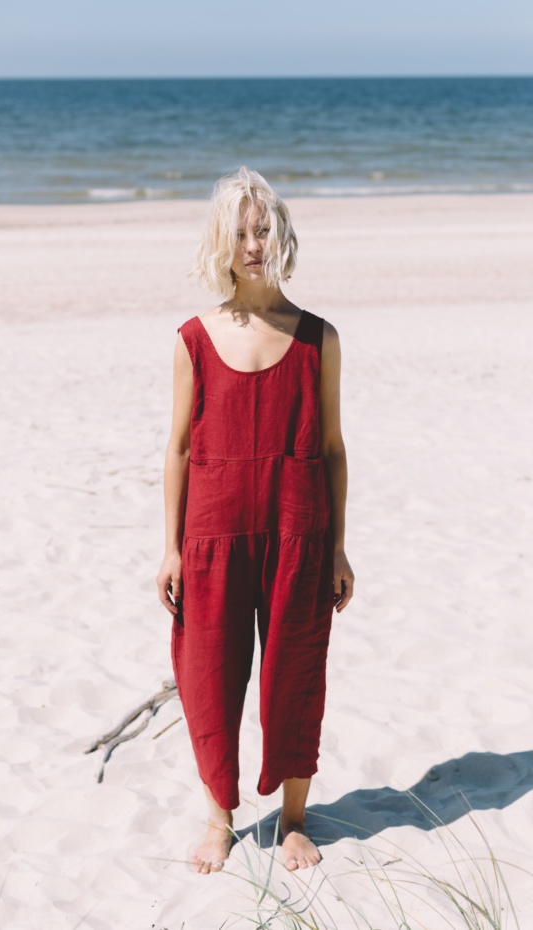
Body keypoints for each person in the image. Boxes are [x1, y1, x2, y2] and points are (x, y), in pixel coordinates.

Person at [157, 166, 354, 875]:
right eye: (240, 230)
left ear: (282, 233)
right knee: (209, 675)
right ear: (222, 239)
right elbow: (178, 447)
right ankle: (220, 820)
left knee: (295, 673)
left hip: (299, 531)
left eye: (263, 227)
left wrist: (337, 547)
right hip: (211, 536)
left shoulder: (318, 338)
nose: (253, 242)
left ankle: (295, 818)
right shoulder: (193, 338)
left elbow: (332, 448)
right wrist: (172, 549)